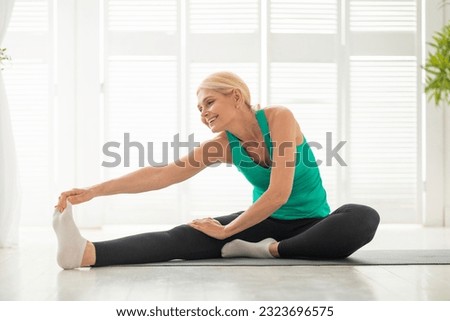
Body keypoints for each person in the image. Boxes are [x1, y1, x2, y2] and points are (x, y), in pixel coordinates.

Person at [53, 71, 380, 270]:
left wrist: (227, 232)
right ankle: (85, 253)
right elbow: (163, 173)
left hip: (313, 224)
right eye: (199, 108)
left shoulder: (279, 118)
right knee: (184, 235)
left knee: (362, 217)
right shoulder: (222, 145)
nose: (203, 113)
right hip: (263, 221)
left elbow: (279, 192)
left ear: (235, 97)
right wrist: (95, 190)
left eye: (209, 103)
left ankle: (267, 251)